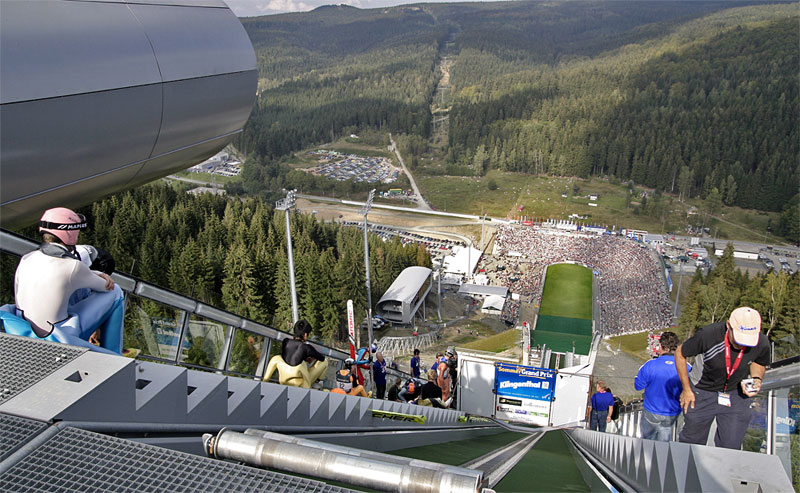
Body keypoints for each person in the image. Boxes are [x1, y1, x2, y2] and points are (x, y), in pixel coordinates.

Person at [12, 207, 125, 354]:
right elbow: (106, 287)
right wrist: (98, 273)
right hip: (57, 338)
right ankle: (114, 355)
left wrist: (91, 273)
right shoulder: (73, 266)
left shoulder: (26, 259)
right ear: (71, 234)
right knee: (116, 293)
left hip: (21, 332)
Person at [675, 307, 770, 449]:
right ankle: (684, 468)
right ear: (728, 326)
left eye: (747, 341)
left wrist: (756, 379)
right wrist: (686, 389)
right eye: (739, 338)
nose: (742, 344)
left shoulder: (761, 342)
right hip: (702, 390)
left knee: (731, 444)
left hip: (736, 393)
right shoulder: (708, 335)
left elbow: (759, 362)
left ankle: (724, 469)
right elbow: (680, 353)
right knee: (692, 441)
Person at [634, 331, 689, 441]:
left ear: (661, 346)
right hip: (672, 412)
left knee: (647, 442)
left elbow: (638, 386)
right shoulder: (687, 367)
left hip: (651, 410)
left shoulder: (650, 365)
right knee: (663, 444)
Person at [275, 319, 329, 387]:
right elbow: (322, 358)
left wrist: (305, 357)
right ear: (305, 334)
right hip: (300, 383)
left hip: (284, 378)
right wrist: (310, 357)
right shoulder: (306, 347)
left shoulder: (285, 341)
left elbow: (293, 357)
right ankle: (318, 382)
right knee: (325, 362)